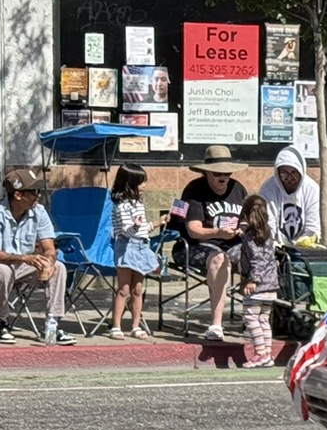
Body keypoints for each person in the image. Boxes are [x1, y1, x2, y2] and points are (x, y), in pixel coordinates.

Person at [0, 168, 73, 344]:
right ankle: (1, 323)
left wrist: (49, 260)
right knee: (3, 271)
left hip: (25, 263)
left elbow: (48, 246)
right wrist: (25, 258)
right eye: (34, 192)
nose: (38, 196)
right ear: (18, 195)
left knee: (59, 267)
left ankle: (52, 325)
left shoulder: (39, 211)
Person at [174, 145, 248, 342]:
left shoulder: (238, 188)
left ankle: (253, 319)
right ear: (206, 172)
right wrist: (219, 232)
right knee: (219, 259)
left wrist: (243, 227)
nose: (223, 177)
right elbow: (193, 229)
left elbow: (247, 219)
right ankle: (216, 325)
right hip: (196, 245)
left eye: (227, 173)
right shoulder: (194, 190)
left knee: (255, 256)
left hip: (233, 243)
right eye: (217, 173)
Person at [106, 164, 157, 339]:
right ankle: (116, 326)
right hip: (126, 247)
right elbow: (125, 231)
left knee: (138, 289)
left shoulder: (139, 204)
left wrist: (156, 223)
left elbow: (142, 229)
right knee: (124, 289)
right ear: (130, 184)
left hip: (141, 246)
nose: (144, 186)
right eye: (141, 183)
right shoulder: (122, 206)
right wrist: (135, 226)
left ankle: (135, 325)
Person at [236, 195, 281, 366]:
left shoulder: (251, 237)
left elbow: (257, 259)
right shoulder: (266, 233)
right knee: (263, 319)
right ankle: (267, 354)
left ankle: (260, 353)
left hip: (257, 286)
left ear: (246, 214)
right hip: (271, 284)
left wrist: (252, 280)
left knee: (250, 317)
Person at [257, 146, 321, 245]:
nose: (289, 177)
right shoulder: (268, 188)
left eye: (294, 172)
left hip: (304, 247)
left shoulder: (312, 190)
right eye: (284, 173)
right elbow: (267, 224)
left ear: (301, 171)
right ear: (278, 172)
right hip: (275, 246)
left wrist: (302, 244)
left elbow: (313, 228)